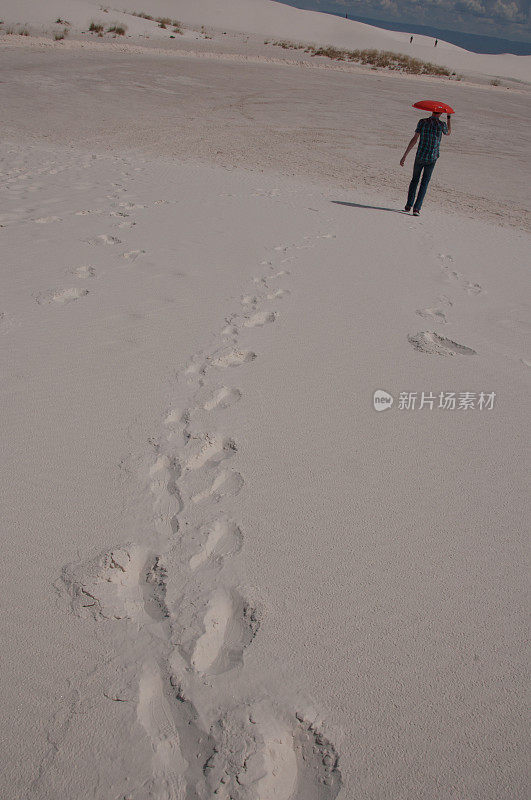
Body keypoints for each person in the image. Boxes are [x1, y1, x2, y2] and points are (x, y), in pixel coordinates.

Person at [400, 111, 451, 215]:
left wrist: (405, 155)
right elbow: (448, 132)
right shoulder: (441, 124)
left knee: (414, 180)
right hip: (432, 157)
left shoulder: (422, 122)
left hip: (420, 155)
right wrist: (449, 118)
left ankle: (408, 205)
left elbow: (415, 139)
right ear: (440, 113)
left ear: (432, 111)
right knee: (424, 182)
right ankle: (417, 208)